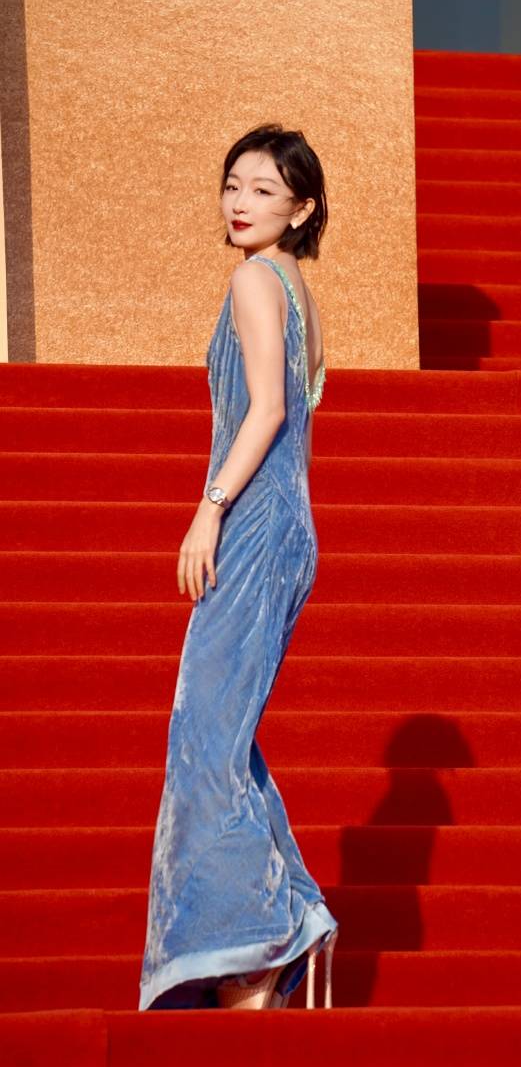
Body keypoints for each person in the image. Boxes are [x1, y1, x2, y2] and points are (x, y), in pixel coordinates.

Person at [138, 123, 339, 1012]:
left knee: (203, 738)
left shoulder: (256, 280)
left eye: (262, 190)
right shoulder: (297, 290)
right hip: (289, 527)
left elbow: (265, 412)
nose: (239, 202)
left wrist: (209, 507)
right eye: (232, 184)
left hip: (256, 525)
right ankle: (284, 924)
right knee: (222, 736)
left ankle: (257, 947)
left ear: (301, 208)